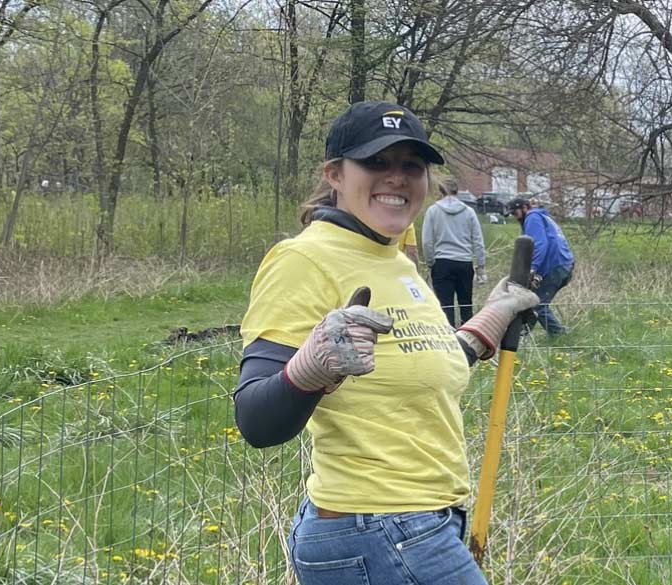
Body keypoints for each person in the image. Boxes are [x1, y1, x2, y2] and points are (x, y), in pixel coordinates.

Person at [231, 100, 541, 585]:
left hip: (421, 525)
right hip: (375, 529)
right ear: (334, 173)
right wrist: (312, 368)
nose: (396, 177)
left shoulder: (394, 260)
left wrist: (492, 318)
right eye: (376, 162)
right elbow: (255, 420)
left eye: (411, 166)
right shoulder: (304, 259)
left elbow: (425, 364)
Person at [423, 180, 487, 326]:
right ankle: (468, 339)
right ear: (457, 192)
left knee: (445, 306)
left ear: (440, 192)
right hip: (464, 262)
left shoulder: (433, 211)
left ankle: (449, 339)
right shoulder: (469, 212)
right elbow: (478, 241)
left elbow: (427, 241)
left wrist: (430, 261)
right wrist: (481, 266)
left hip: (442, 262)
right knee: (466, 304)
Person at [509, 197, 575, 337]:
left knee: (537, 303)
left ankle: (560, 335)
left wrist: (533, 268)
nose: (515, 217)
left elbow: (540, 244)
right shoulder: (541, 216)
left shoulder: (532, 217)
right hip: (562, 264)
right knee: (532, 300)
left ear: (525, 208)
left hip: (556, 265)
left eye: (515, 213)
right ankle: (523, 333)